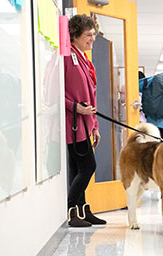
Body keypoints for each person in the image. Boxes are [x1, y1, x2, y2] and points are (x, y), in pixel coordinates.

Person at [65, 14, 106, 227]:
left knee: (77, 167)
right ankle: (70, 208)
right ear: (75, 36)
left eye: (93, 34)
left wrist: (95, 126)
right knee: (88, 166)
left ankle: (81, 210)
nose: (92, 38)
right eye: (88, 35)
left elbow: (91, 95)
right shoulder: (66, 57)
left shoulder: (82, 58)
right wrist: (75, 107)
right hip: (72, 125)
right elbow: (53, 93)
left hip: (84, 123)